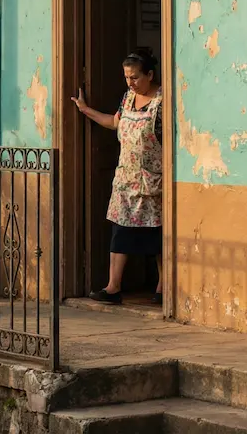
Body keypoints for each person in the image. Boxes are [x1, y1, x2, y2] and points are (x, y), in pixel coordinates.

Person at [71, 47, 163, 305]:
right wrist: (85, 110)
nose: (130, 82)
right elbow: (115, 123)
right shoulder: (127, 98)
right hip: (125, 179)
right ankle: (113, 287)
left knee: (157, 234)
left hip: (152, 180)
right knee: (120, 232)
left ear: (150, 75)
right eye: (127, 78)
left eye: (135, 77)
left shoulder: (162, 101)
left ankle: (163, 287)